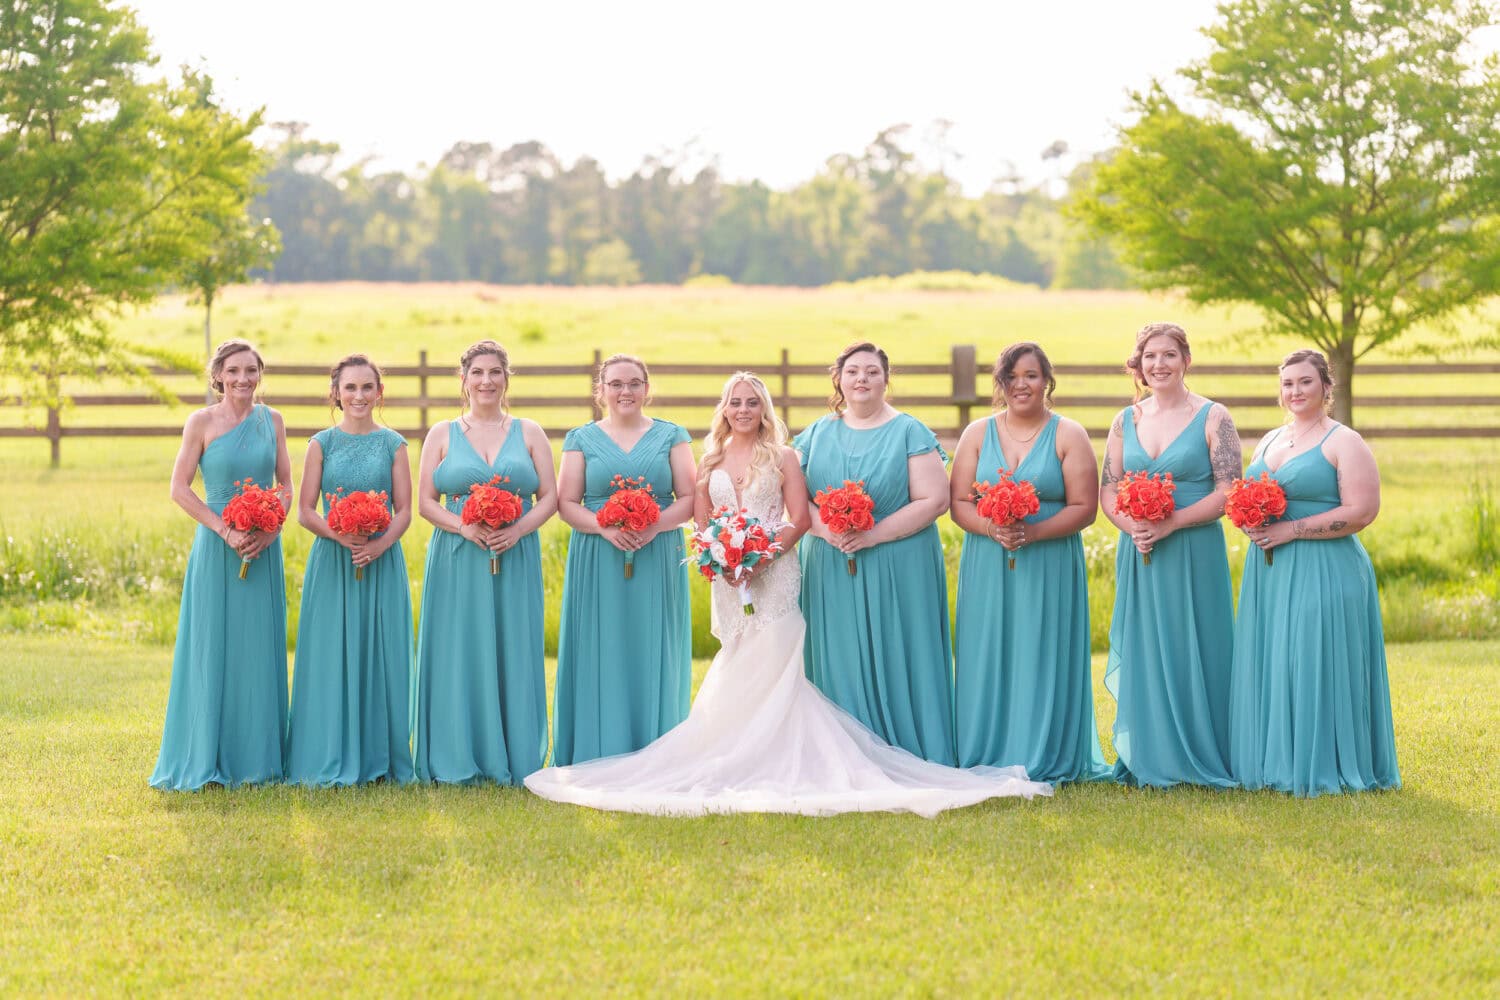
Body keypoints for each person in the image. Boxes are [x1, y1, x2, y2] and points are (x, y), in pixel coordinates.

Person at [525, 373, 1052, 815]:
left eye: (754, 402)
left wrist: (758, 554)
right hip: (729, 580)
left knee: (777, 658)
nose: (744, 409)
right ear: (724, 409)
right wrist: (721, 559)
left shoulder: (785, 458)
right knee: (738, 658)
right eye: (736, 401)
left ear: (766, 409)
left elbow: (799, 519)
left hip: (773, 572)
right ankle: (731, 752)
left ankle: (783, 754)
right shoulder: (707, 461)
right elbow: (702, 523)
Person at [1229, 350, 1400, 795]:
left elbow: (1362, 511)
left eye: (1306, 382)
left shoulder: (1344, 441)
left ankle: (1326, 762)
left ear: (1327, 386)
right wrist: (1250, 518)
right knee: (1277, 659)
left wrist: (1294, 530)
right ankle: (1274, 761)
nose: (1295, 391)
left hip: (1326, 566)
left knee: (1314, 659)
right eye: (1288, 383)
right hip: (1269, 571)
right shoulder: (1270, 439)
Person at [950, 343, 1112, 783]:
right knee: (987, 651)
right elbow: (959, 503)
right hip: (987, 561)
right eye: (1012, 377)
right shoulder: (977, 434)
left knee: (1042, 652)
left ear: (1047, 382)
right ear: (1000, 384)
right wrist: (991, 529)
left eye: (1031, 376)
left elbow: (1085, 507)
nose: (1021, 385)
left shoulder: (1068, 434)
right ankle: (983, 749)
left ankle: (1044, 751)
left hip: (1049, 562)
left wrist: (1033, 532)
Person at [794, 343, 956, 765]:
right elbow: (791, 497)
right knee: (838, 655)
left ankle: (907, 748)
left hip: (899, 560)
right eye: (852, 371)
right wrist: (827, 530)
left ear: (887, 379)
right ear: (839, 379)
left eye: (871, 371)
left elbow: (934, 500)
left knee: (899, 649)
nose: (861, 379)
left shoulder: (910, 431)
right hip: (829, 560)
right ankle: (839, 755)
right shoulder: (814, 433)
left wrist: (873, 535)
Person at [1099, 322, 1239, 788]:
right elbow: (1109, 491)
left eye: (1168, 355)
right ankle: (1148, 754)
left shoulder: (1215, 417)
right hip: (1140, 552)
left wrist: (1172, 522)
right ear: (1137, 364)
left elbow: (1229, 492)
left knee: (1196, 643)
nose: (1158, 365)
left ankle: (1204, 751)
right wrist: (1134, 527)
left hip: (1193, 549)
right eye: (1149, 357)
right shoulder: (1125, 421)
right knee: (1146, 647)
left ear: (1186, 361)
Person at [411, 341, 556, 784]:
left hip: (516, 554)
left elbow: (549, 497)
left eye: (495, 372)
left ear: (506, 379)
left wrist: (518, 529)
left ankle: (514, 753)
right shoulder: (441, 433)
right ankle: (457, 753)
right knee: (459, 648)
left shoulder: (530, 432)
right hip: (458, 555)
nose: (486, 381)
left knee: (513, 643)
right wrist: (463, 527)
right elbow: (424, 502)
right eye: (477, 373)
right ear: (464, 379)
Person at [151, 340, 291, 790]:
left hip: (263, 549)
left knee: (257, 649)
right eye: (234, 371)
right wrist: (225, 530)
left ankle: (258, 761)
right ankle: (203, 757)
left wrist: (270, 529)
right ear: (218, 376)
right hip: (216, 549)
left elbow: (287, 485)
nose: (243, 379)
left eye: (251, 371)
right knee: (211, 647)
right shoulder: (201, 422)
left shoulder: (274, 421)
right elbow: (179, 489)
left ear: (260, 375)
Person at [551, 354, 695, 765]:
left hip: (658, 553)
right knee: (601, 643)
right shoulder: (580, 438)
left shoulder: (672, 435)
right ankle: (599, 747)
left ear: (647, 388)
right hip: (598, 555)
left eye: (634, 383)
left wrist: (654, 526)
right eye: (615, 384)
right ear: (601, 391)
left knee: (654, 643)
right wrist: (604, 526)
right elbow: (566, 503)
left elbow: (688, 498)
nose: (625, 391)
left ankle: (657, 747)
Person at [285, 354, 415, 786]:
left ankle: (381, 758)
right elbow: (304, 511)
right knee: (330, 653)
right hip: (332, 560)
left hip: (382, 560)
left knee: (381, 652)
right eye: (350, 388)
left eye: (367, 387)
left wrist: (377, 545)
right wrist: (341, 536)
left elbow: (405, 510)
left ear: (379, 393)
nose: (359, 395)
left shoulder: (394, 444)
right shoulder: (320, 443)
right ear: (336, 394)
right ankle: (326, 751)